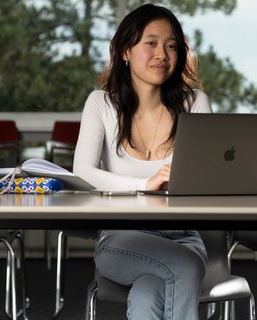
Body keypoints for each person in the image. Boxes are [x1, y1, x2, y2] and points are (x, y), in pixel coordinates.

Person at [73, 3, 212, 320]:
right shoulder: (101, 103)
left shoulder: (195, 103)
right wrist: (143, 185)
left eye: (171, 45)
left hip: (185, 237)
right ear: (125, 50)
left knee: (149, 292)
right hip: (121, 239)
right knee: (183, 266)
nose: (162, 53)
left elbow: (210, 176)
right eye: (151, 43)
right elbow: (82, 170)